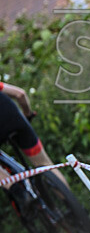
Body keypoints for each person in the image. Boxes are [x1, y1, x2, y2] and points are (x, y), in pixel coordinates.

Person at [0, 81, 66, 210]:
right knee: (45, 164)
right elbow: (20, 94)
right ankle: (76, 210)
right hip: (14, 118)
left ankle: (20, 193)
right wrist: (28, 114)